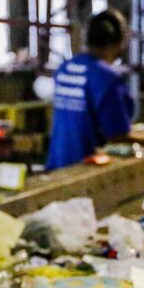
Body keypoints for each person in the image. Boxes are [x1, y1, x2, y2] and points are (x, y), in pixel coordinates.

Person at [45, 9, 137, 170]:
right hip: (84, 167)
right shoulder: (107, 78)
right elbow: (118, 135)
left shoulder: (65, 68)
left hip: (57, 163)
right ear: (118, 42)